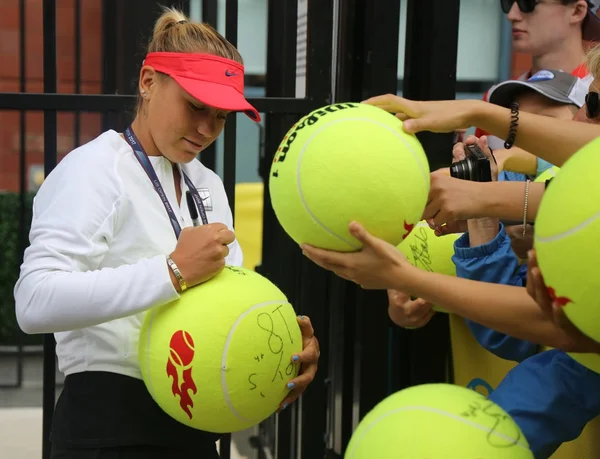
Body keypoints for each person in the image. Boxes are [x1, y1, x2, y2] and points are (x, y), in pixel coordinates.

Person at [13, 8, 319, 459]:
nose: (206, 129)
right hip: (110, 429)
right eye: (196, 106)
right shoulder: (93, 169)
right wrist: (171, 271)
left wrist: (277, 349)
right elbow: (33, 302)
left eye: (221, 116)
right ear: (148, 82)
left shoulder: (206, 183)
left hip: (197, 423)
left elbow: (219, 304)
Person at [475, 0, 600, 152]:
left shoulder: (596, 91)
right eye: (507, 2)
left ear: (577, 11)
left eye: (528, 3)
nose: (511, 15)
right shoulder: (494, 97)